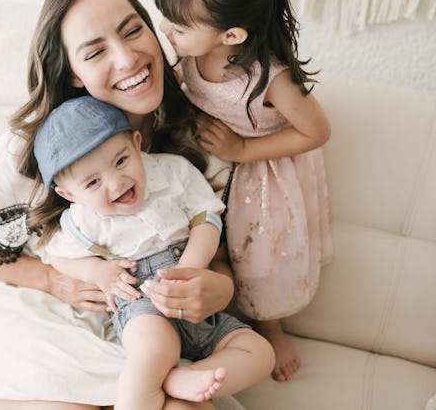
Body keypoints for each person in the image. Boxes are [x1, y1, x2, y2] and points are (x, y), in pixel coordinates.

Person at [0, 0, 251, 410]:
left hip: (154, 321)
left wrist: (219, 289)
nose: (127, 58)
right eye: (95, 52)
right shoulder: (42, 144)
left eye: (133, 30)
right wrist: (50, 279)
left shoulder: (203, 141)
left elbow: (219, 259)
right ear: (74, 74)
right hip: (44, 311)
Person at [154, 0, 333, 382]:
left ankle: (271, 327)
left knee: (257, 256)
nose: (164, 31)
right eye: (165, 18)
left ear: (231, 34)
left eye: (177, 26)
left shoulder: (269, 77)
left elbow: (316, 131)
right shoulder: (190, 52)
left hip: (262, 169)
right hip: (212, 163)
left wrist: (244, 149)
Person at [32, 96, 274, 409]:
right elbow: (58, 257)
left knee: (260, 353)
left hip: (196, 296)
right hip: (141, 301)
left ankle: (182, 378)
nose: (116, 182)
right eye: (93, 182)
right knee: (153, 353)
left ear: (136, 144)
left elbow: (207, 218)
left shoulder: (173, 171)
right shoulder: (82, 218)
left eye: (121, 161)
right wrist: (99, 272)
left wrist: (190, 267)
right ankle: (154, 382)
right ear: (69, 194)